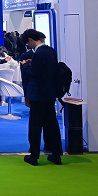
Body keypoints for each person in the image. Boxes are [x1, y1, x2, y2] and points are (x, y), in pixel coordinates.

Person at [19, 29, 63, 166]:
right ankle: (56, 155)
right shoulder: (51, 51)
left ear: (30, 40)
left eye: (28, 43)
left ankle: (34, 157)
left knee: (35, 125)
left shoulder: (38, 53)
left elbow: (35, 73)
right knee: (52, 124)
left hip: (37, 94)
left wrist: (25, 66)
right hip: (50, 93)